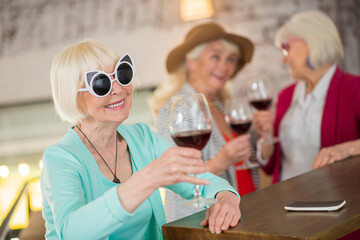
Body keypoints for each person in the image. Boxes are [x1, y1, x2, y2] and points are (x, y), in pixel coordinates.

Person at [41, 39, 242, 239]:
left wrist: (226, 197)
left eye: (121, 74)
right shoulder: (60, 158)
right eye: (101, 83)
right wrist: (147, 179)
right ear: (73, 98)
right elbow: (72, 233)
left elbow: (198, 179)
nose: (118, 89)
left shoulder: (143, 137)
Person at [149, 22, 258, 222]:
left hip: (242, 210)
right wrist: (222, 161)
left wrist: (264, 135)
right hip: (202, 220)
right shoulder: (173, 110)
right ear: (192, 62)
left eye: (231, 60)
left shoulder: (221, 106)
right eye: (216, 56)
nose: (225, 67)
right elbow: (176, 175)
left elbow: (252, 158)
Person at [253, 10, 360, 183]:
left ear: (313, 42)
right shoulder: (286, 96)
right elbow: (269, 166)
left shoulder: (354, 88)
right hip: (286, 201)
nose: (282, 59)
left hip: (335, 202)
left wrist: (348, 149)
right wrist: (267, 135)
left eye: (286, 48)